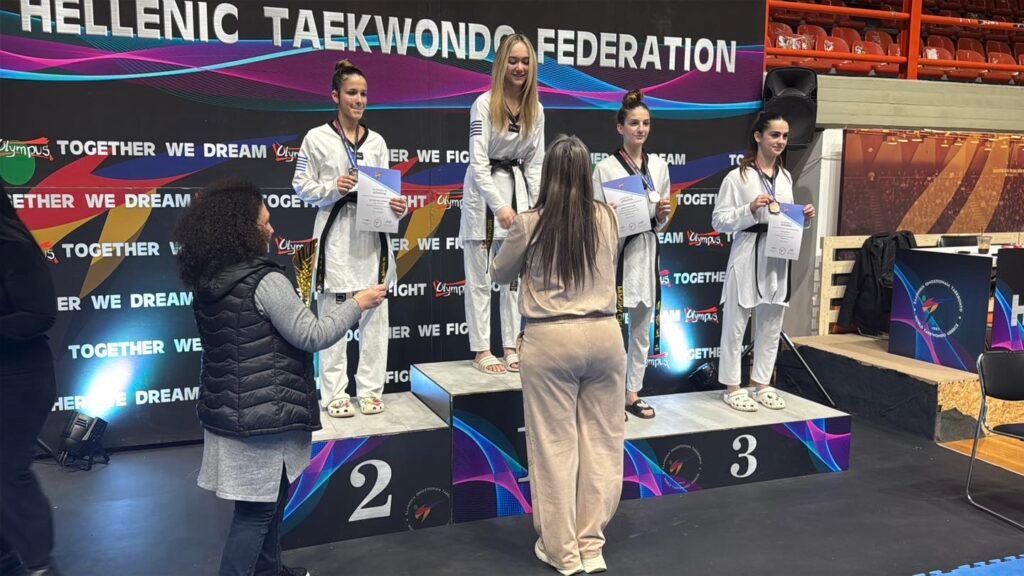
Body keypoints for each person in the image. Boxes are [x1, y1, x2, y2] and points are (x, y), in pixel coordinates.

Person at [173, 180, 387, 576]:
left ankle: (269, 571)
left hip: (235, 412)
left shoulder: (210, 280)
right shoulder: (266, 281)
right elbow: (313, 335)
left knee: (266, 504)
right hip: (264, 417)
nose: (272, 229)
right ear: (242, 229)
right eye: (265, 222)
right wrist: (358, 303)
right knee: (256, 514)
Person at [492, 135, 626, 575]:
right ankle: (591, 545)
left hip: (550, 341)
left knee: (554, 447)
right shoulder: (607, 216)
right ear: (587, 174)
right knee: (602, 445)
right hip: (605, 337)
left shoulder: (529, 222)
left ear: (547, 174)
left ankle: (563, 552)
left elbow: (499, 273)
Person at [293, 59, 407, 418]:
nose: (359, 100)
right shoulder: (316, 138)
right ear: (335, 96)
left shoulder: (378, 142)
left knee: (375, 316)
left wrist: (396, 207)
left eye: (363, 94)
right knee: (334, 315)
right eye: (352, 93)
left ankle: (371, 389)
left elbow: (385, 192)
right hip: (336, 236)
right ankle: (334, 392)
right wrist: (332, 187)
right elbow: (300, 185)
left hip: (371, 236)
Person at [711, 112, 815, 412]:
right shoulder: (738, 177)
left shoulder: (785, 177)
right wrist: (749, 209)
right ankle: (732, 387)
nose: (780, 141)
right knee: (736, 324)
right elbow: (718, 221)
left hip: (777, 252)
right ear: (758, 136)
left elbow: (785, 217)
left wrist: (804, 218)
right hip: (746, 251)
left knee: (771, 322)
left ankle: (761, 383)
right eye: (774, 135)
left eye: (784, 136)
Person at [461, 33, 545, 375]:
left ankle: (511, 344)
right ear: (501, 64)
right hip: (483, 198)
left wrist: (536, 208)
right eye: (513, 61)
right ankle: (482, 348)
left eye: (525, 61)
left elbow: (535, 164)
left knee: (512, 279)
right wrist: (498, 206)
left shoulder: (536, 109)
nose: (519, 67)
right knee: (480, 278)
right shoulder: (483, 104)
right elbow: (478, 162)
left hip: (517, 191)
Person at [592, 89, 672, 420]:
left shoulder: (660, 166)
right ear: (620, 127)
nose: (641, 129)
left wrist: (663, 214)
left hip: (647, 251)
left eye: (646, 123)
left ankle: (632, 393)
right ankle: (608, 395)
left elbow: (661, 221)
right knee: (611, 331)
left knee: (641, 328)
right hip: (617, 256)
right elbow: (593, 218)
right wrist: (608, 214)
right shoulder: (605, 168)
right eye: (634, 123)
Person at [0, 186, 61, 576]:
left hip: (19, 378)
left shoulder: (12, 247)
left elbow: (39, 314)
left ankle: (41, 566)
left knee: (6, 472)